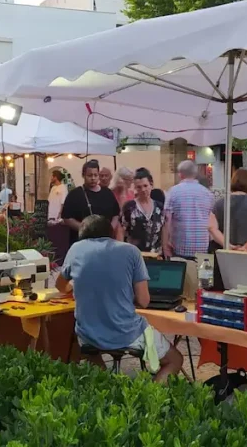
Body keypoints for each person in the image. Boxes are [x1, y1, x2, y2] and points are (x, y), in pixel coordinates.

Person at [56, 215, 183, 383]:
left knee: (91, 355)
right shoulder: (131, 251)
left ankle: (105, 389)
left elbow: (60, 286)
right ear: (112, 233)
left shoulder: (75, 249)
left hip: (87, 335)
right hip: (126, 332)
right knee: (175, 360)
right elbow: (144, 301)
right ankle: (150, 395)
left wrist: (77, 287)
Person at [162, 160, 215, 259]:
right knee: (202, 269)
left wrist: (165, 245)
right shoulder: (208, 194)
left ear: (180, 174)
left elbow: (167, 221)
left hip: (179, 247)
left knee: (181, 269)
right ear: (195, 174)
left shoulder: (173, 192)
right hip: (203, 248)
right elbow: (211, 220)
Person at [61, 160, 121, 246]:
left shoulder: (107, 193)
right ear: (83, 175)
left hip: (105, 241)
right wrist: (85, 229)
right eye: (89, 175)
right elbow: (67, 218)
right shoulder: (75, 194)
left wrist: (110, 229)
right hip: (83, 242)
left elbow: (116, 214)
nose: (93, 178)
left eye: (95, 175)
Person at [213, 169, 247, 253]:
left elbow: (211, 227)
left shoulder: (219, 203)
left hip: (223, 253)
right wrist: (246, 247)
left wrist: (227, 245)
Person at [121, 168, 164, 253]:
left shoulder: (159, 207)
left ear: (151, 185)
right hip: (134, 253)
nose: (143, 190)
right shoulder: (130, 207)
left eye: (145, 186)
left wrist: (165, 247)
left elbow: (164, 230)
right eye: (139, 187)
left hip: (155, 254)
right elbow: (121, 230)